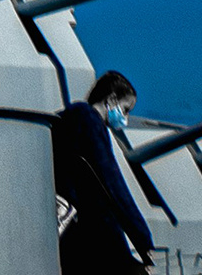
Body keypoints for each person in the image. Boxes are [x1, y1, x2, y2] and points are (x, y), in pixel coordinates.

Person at [52, 71, 158, 272]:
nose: (125, 119)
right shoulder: (90, 120)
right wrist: (143, 238)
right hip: (85, 229)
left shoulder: (67, 118)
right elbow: (111, 183)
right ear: (111, 100)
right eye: (125, 110)